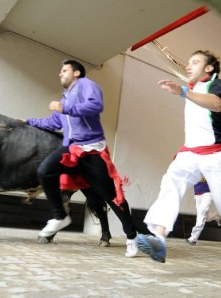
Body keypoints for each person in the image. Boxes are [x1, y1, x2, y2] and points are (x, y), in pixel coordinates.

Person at [136, 50, 221, 263]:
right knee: (170, 184)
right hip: (190, 153)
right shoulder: (193, 89)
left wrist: (183, 91)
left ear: (209, 68)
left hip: (215, 155)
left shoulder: (216, 85)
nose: (188, 65)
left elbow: (217, 104)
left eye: (195, 62)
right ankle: (159, 240)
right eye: (189, 61)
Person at [26, 60, 138, 257]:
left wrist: (65, 108)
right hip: (72, 149)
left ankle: (132, 236)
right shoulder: (65, 97)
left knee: (111, 196)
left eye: (64, 70)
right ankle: (60, 217)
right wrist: (27, 121)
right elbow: (52, 122)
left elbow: (95, 106)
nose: (60, 73)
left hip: (92, 150)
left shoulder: (87, 85)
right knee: (45, 171)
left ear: (76, 73)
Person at [186, 178, 221, 246]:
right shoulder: (196, 169)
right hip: (197, 195)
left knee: (201, 215)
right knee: (205, 218)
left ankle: (193, 238)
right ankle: (217, 217)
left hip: (208, 194)